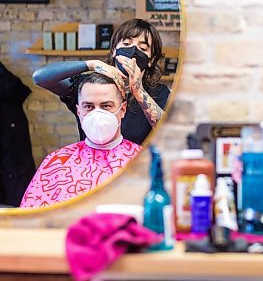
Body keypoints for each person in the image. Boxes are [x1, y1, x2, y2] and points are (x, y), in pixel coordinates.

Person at [32, 18, 171, 145]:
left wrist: (138, 90)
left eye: (142, 48)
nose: (133, 50)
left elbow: (169, 132)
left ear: (151, 60)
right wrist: (90, 64)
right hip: (91, 167)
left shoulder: (159, 93)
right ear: (114, 50)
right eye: (127, 43)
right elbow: (40, 78)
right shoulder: (89, 86)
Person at [20, 73, 142, 208]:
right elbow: (32, 219)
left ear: (122, 109)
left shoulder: (143, 160)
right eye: (89, 106)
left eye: (106, 106)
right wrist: (90, 64)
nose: (97, 114)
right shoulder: (57, 162)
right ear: (79, 111)